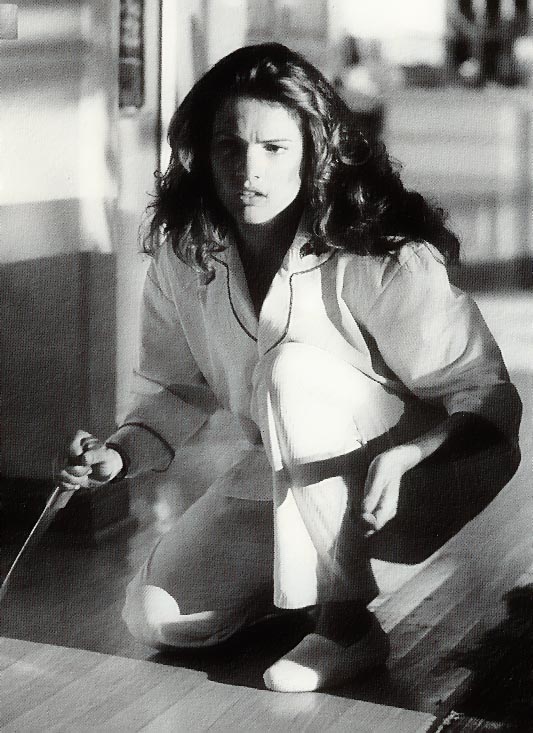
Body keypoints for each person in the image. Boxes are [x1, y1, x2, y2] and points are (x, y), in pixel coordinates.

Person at [60, 43, 522, 693]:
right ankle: (302, 589)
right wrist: (116, 455)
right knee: (158, 619)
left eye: (274, 148)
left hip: (422, 472)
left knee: (292, 370)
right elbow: (174, 390)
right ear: (202, 154)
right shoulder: (185, 253)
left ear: (314, 152)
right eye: (230, 146)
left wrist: (410, 455)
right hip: (293, 467)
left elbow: (489, 397)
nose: (249, 169)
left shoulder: (377, 247)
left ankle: (345, 626)